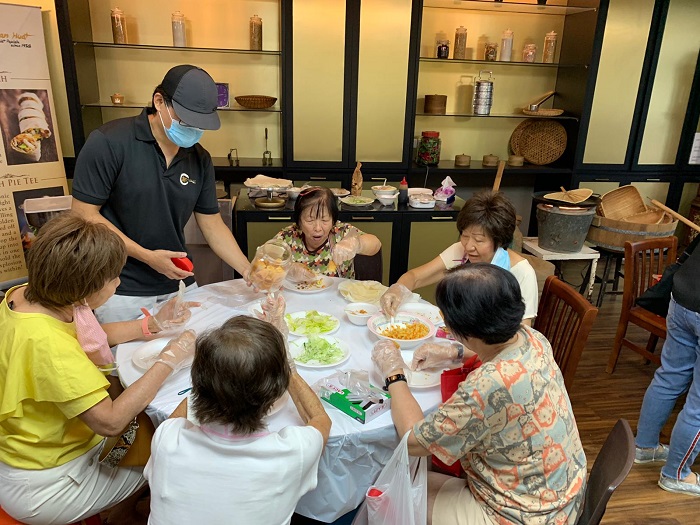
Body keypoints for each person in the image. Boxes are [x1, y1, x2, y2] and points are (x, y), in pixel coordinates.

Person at [0, 214, 196, 525]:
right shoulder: (48, 345)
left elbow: (87, 335)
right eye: (113, 278)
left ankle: (123, 510)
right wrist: (169, 359)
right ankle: (121, 514)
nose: (118, 283)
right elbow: (110, 421)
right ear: (85, 291)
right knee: (172, 456)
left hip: (25, 447)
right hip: (47, 482)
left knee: (146, 428)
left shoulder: (27, 295)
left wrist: (151, 324)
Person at [372, 264, 586, 525]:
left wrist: (394, 372)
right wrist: (453, 352)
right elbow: (491, 349)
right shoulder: (532, 337)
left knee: (390, 493)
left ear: (466, 331)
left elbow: (413, 442)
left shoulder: (488, 386)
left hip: (523, 515)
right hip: (561, 490)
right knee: (410, 479)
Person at [71, 64, 251, 323]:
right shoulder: (109, 142)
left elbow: (211, 223)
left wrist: (247, 269)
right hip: (118, 287)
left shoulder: (199, 158)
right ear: (159, 101)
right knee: (125, 360)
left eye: (200, 124)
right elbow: (84, 214)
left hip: (178, 281)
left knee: (188, 355)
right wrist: (147, 257)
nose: (192, 130)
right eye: (185, 120)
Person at [145, 313, 332, 525]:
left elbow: (182, 413)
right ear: (275, 391)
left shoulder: (166, 440)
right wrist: (286, 366)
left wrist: (212, 378)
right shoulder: (293, 451)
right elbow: (320, 420)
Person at [380, 191, 538, 326]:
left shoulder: (521, 272)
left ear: (499, 240)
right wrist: (396, 290)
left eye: (479, 240)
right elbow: (415, 277)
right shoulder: (461, 252)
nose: (469, 246)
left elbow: (524, 332)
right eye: (465, 235)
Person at [634, 245, 700, 496]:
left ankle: (645, 447)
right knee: (698, 403)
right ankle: (676, 475)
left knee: (669, 377)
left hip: (683, 296)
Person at [273, 187, 381, 281]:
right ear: (298, 222)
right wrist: (287, 268)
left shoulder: (341, 232)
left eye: (324, 220)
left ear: (333, 220)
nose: (318, 228)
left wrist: (356, 243)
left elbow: (376, 243)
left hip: (338, 300)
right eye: (310, 221)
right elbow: (263, 261)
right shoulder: (287, 237)